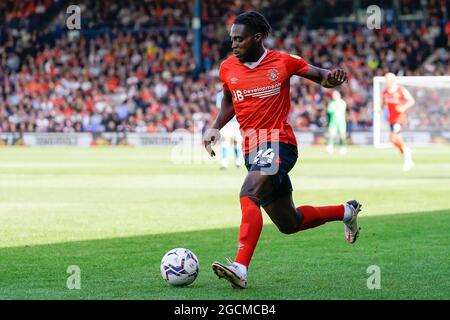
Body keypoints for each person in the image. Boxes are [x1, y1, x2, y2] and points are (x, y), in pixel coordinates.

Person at [203, 11, 362, 289]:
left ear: (257, 37)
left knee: (248, 194)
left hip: (279, 143)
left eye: (239, 39)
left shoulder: (283, 62)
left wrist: (332, 77)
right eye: (232, 39)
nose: (234, 44)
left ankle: (240, 267)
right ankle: (346, 211)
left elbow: (322, 76)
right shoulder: (228, 68)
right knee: (290, 223)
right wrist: (215, 127)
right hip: (252, 150)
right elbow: (229, 101)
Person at [381, 73, 415, 171]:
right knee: (395, 140)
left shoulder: (401, 90)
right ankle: (407, 158)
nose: (387, 80)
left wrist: (404, 107)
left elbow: (411, 101)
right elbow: (383, 103)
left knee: (393, 138)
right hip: (391, 119)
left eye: (388, 79)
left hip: (399, 118)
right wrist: (380, 108)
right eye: (386, 79)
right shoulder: (385, 92)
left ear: (393, 79)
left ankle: (407, 154)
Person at [216, 90, 244, 169]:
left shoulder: (236, 92)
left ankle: (238, 161)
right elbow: (219, 109)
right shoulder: (220, 95)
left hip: (236, 121)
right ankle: (224, 163)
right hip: (227, 122)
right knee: (226, 140)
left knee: (237, 141)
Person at [326, 90, 348, 155]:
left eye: (335, 94)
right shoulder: (331, 103)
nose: (334, 96)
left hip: (341, 122)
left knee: (342, 135)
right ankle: (330, 147)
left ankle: (343, 147)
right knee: (332, 135)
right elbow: (329, 110)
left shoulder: (342, 102)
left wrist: (336, 111)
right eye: (333, 95)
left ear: (339, 95)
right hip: (333, 122)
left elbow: (342, 110)